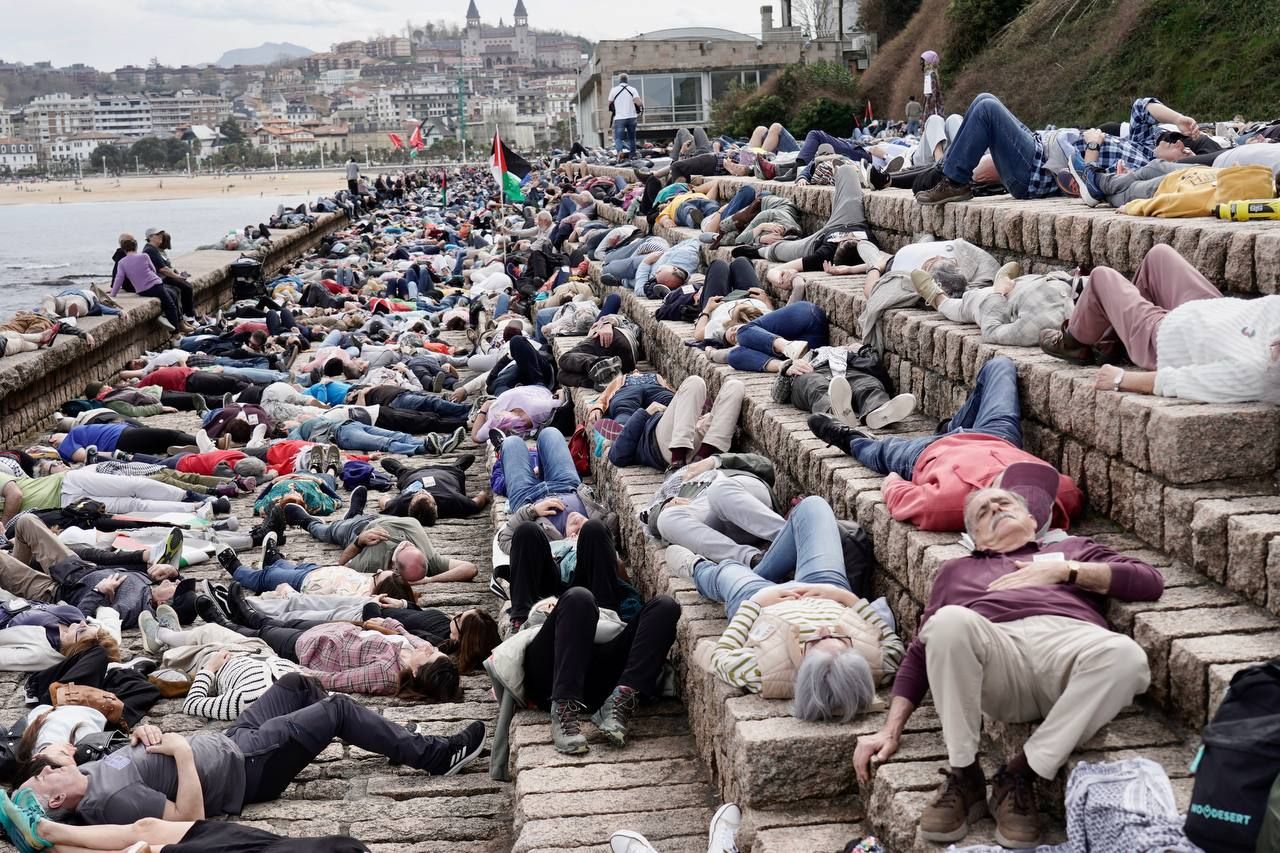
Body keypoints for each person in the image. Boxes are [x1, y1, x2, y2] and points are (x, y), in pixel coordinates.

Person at [852, 474, 1163, 849]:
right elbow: (921, 651)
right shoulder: (958, 570)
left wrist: (1066, 571)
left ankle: (1018, 775)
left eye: (1005, 503)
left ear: (1033, 520)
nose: (995, 508)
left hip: (1069, 647)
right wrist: (890, 730)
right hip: (998, 656)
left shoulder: (1074, 550)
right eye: (983, 512)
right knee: (947, 623)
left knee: (1126, 656)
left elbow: (1149, 580)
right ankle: (965, 776)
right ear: (977, 539)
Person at [13, 673, 485, 828]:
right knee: (337, 708)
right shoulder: (110, 801)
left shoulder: (95, 774)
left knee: (297, 685)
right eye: (40, 776)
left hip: (229, 740)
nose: (44, 766)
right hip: (248, 765)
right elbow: (188, 822)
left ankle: (376, 732)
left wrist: (147, 736)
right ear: (55, 799)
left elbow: (134, 754)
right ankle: (433, 756)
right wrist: (177, 752)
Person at [672, 496, 903, 719]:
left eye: (814, 642)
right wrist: (846, 597)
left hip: (764, 607)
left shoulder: (763, 673)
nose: (823, 630)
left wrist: (755, 604)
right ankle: (760, 567)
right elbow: (893, 642)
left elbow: (720, 657)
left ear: (801, 672)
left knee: (729, 570)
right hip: (827, 591)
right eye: (841, 639)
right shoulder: (879, 663)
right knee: (812, 506)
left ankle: (697, 569)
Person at [808, 357, 1082, 531]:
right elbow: (1071, 498)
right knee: (1000, 366)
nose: (1017, 482)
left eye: (1011, 494)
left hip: (928, 453)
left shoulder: (949, 504)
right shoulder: (1058, 493)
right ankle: (951, 426)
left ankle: (849, 437)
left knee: (878, 451)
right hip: (998, 438)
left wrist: (900, 477)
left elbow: (898, 493)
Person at [1040, 243, 1280, 403]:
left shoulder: (1260, 372)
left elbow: (1186, 381)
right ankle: (1113, 340)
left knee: (1102, 277)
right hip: (1216, 311)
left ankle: (1075, 342)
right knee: (1160, 255)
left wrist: (1120, 379)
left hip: (1167, 335)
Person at [487, 584, 680, 756]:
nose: (551, 607)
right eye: (547, 608)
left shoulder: (604, 619)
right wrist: (563, 611)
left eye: (553, 604)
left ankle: (621, 701)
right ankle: (564, 711)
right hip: (551, 677)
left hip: (603, 680)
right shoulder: (536, 631)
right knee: (579, 597)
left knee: (665, 606)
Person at [917, 93, 1203, 205]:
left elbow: (1095, 187)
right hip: (1041, 144)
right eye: (1176, 137)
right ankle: (948, 174)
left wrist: (1093, 144)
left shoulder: (1142, 170)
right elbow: (1142, 106)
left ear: (1175, 165)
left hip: (1036, 171)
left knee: (988, 110)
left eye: (1185, 148)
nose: (1177, 140)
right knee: (984, 101)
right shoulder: (1141, 146)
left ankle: (953, 180)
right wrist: (1179, 119)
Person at [494, 428, 616, 553]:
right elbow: (611, 524)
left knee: (511, 443)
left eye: (576, 531)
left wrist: (532, 511)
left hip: (526, 497)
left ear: (569, 541)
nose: (578, 521)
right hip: (567, 485)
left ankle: (501, 449)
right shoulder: (600, 526)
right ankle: (538, 466)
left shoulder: (545, 546)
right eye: (585, 529)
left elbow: (504, 539)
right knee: (550, 433)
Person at [282, 509, 478, 583]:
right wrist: (360, 540)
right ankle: (310, 522)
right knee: (328, 532)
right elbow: (340, 566)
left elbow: (471, 569)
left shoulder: (427, 557)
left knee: (341, 527)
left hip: (371, 525)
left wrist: (430, 580)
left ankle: (350, 512)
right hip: (359, 529)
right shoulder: (373, 560)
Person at [910, 262, 1076, 346]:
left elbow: (991, 332)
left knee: (967, 304)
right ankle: (1001, 279)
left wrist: (997, 293)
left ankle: (938, 299)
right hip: (1029, 283)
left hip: (996, 300)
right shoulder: (1090, 288)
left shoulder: (1045, 322)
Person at [608, 375, 744, 473]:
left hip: (702, 443)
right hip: (665, 446)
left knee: (735, 386)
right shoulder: (638, 421)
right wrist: (645, 413)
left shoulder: (660, 387)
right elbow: (616, 456)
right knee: (695, 382)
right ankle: (677, 463)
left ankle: (701, 460)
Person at [771, 342, 916, 429]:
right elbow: (777, 395)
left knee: (868, 384)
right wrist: (786, 370)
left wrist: (863, 350)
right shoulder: (803, 361)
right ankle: (833, 412)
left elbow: (878, 372)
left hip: (848, 372)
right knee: (815, 385)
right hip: (812, 374)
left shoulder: (851, 357)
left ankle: (877, 411)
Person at [109, 236, 186, 333]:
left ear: (124, 249)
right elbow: (153, 270)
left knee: (172, 293)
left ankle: (164, 315)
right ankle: (176, 334)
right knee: (170, 305)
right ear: (136, 247)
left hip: (142, 291)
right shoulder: (144, 256)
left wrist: (113, 294)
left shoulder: (121, 262)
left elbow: (119, 279)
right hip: (155, 285)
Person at [607, 73, 640, 159]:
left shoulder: (614, 90)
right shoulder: (633, 89)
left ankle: (620, 152)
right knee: (632, 138)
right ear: (627, 80)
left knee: (618, 138)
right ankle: (633, 155)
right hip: (632, 117)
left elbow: (609, 103)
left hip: (619, 118)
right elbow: (638, 103)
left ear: (619, 80)